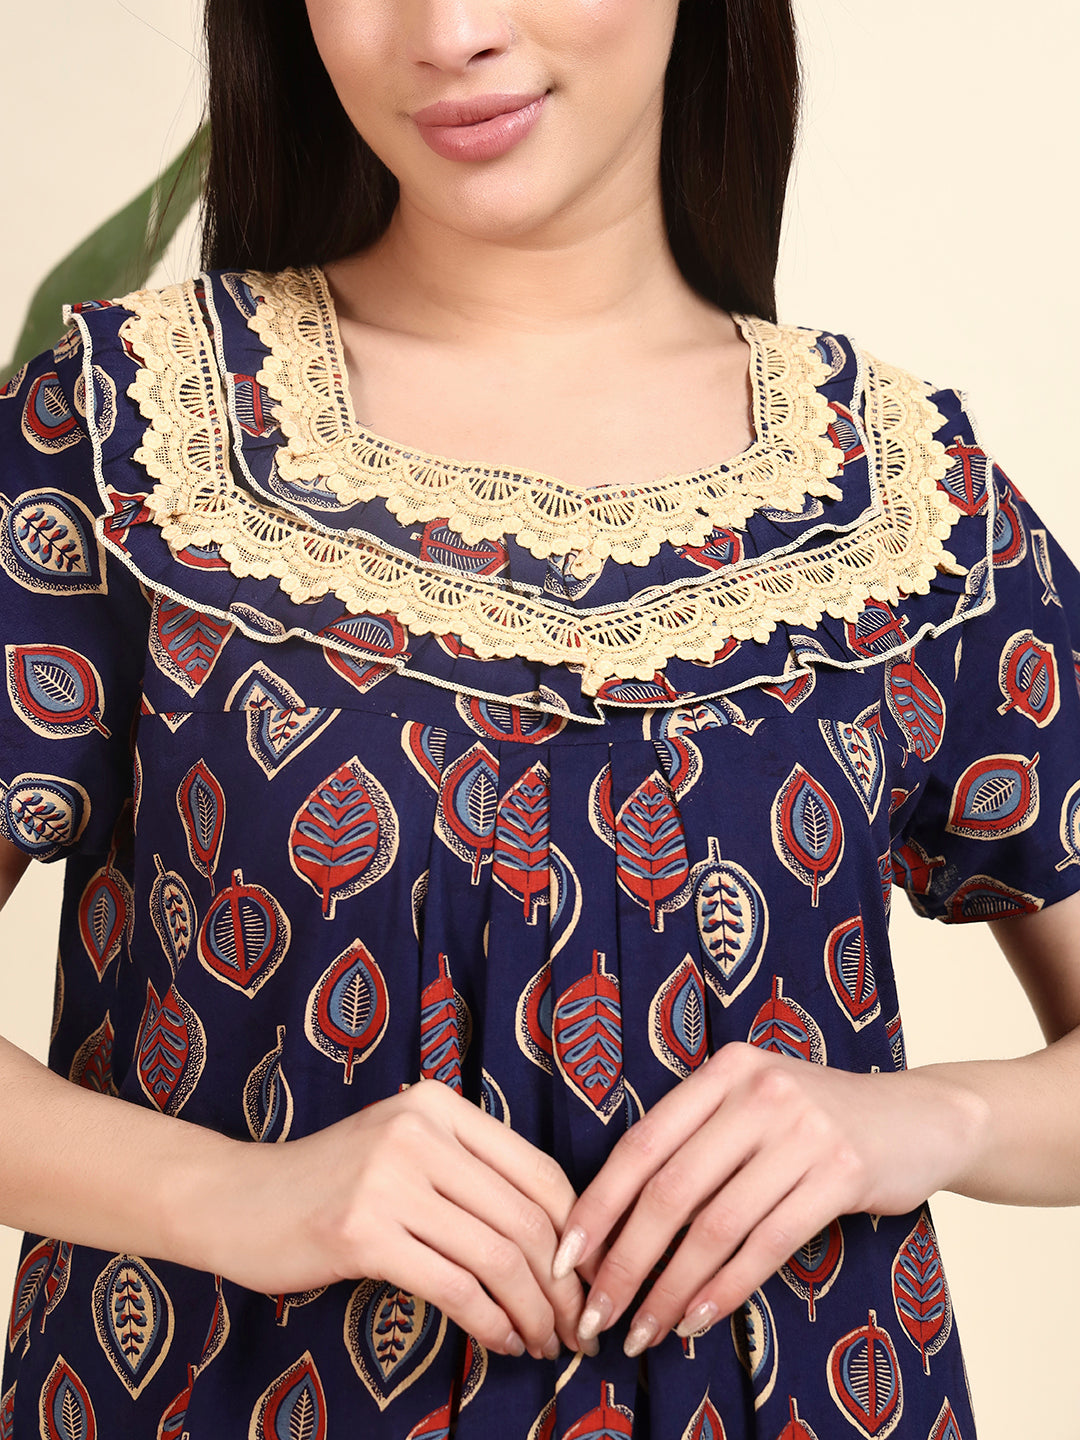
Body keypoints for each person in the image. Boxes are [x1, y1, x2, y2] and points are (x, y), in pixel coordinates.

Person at [1, 1, 1078, 1436]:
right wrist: (234, 1197)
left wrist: (926, 1120)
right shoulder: (127, 435)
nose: (450, 32)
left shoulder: (910, 499)